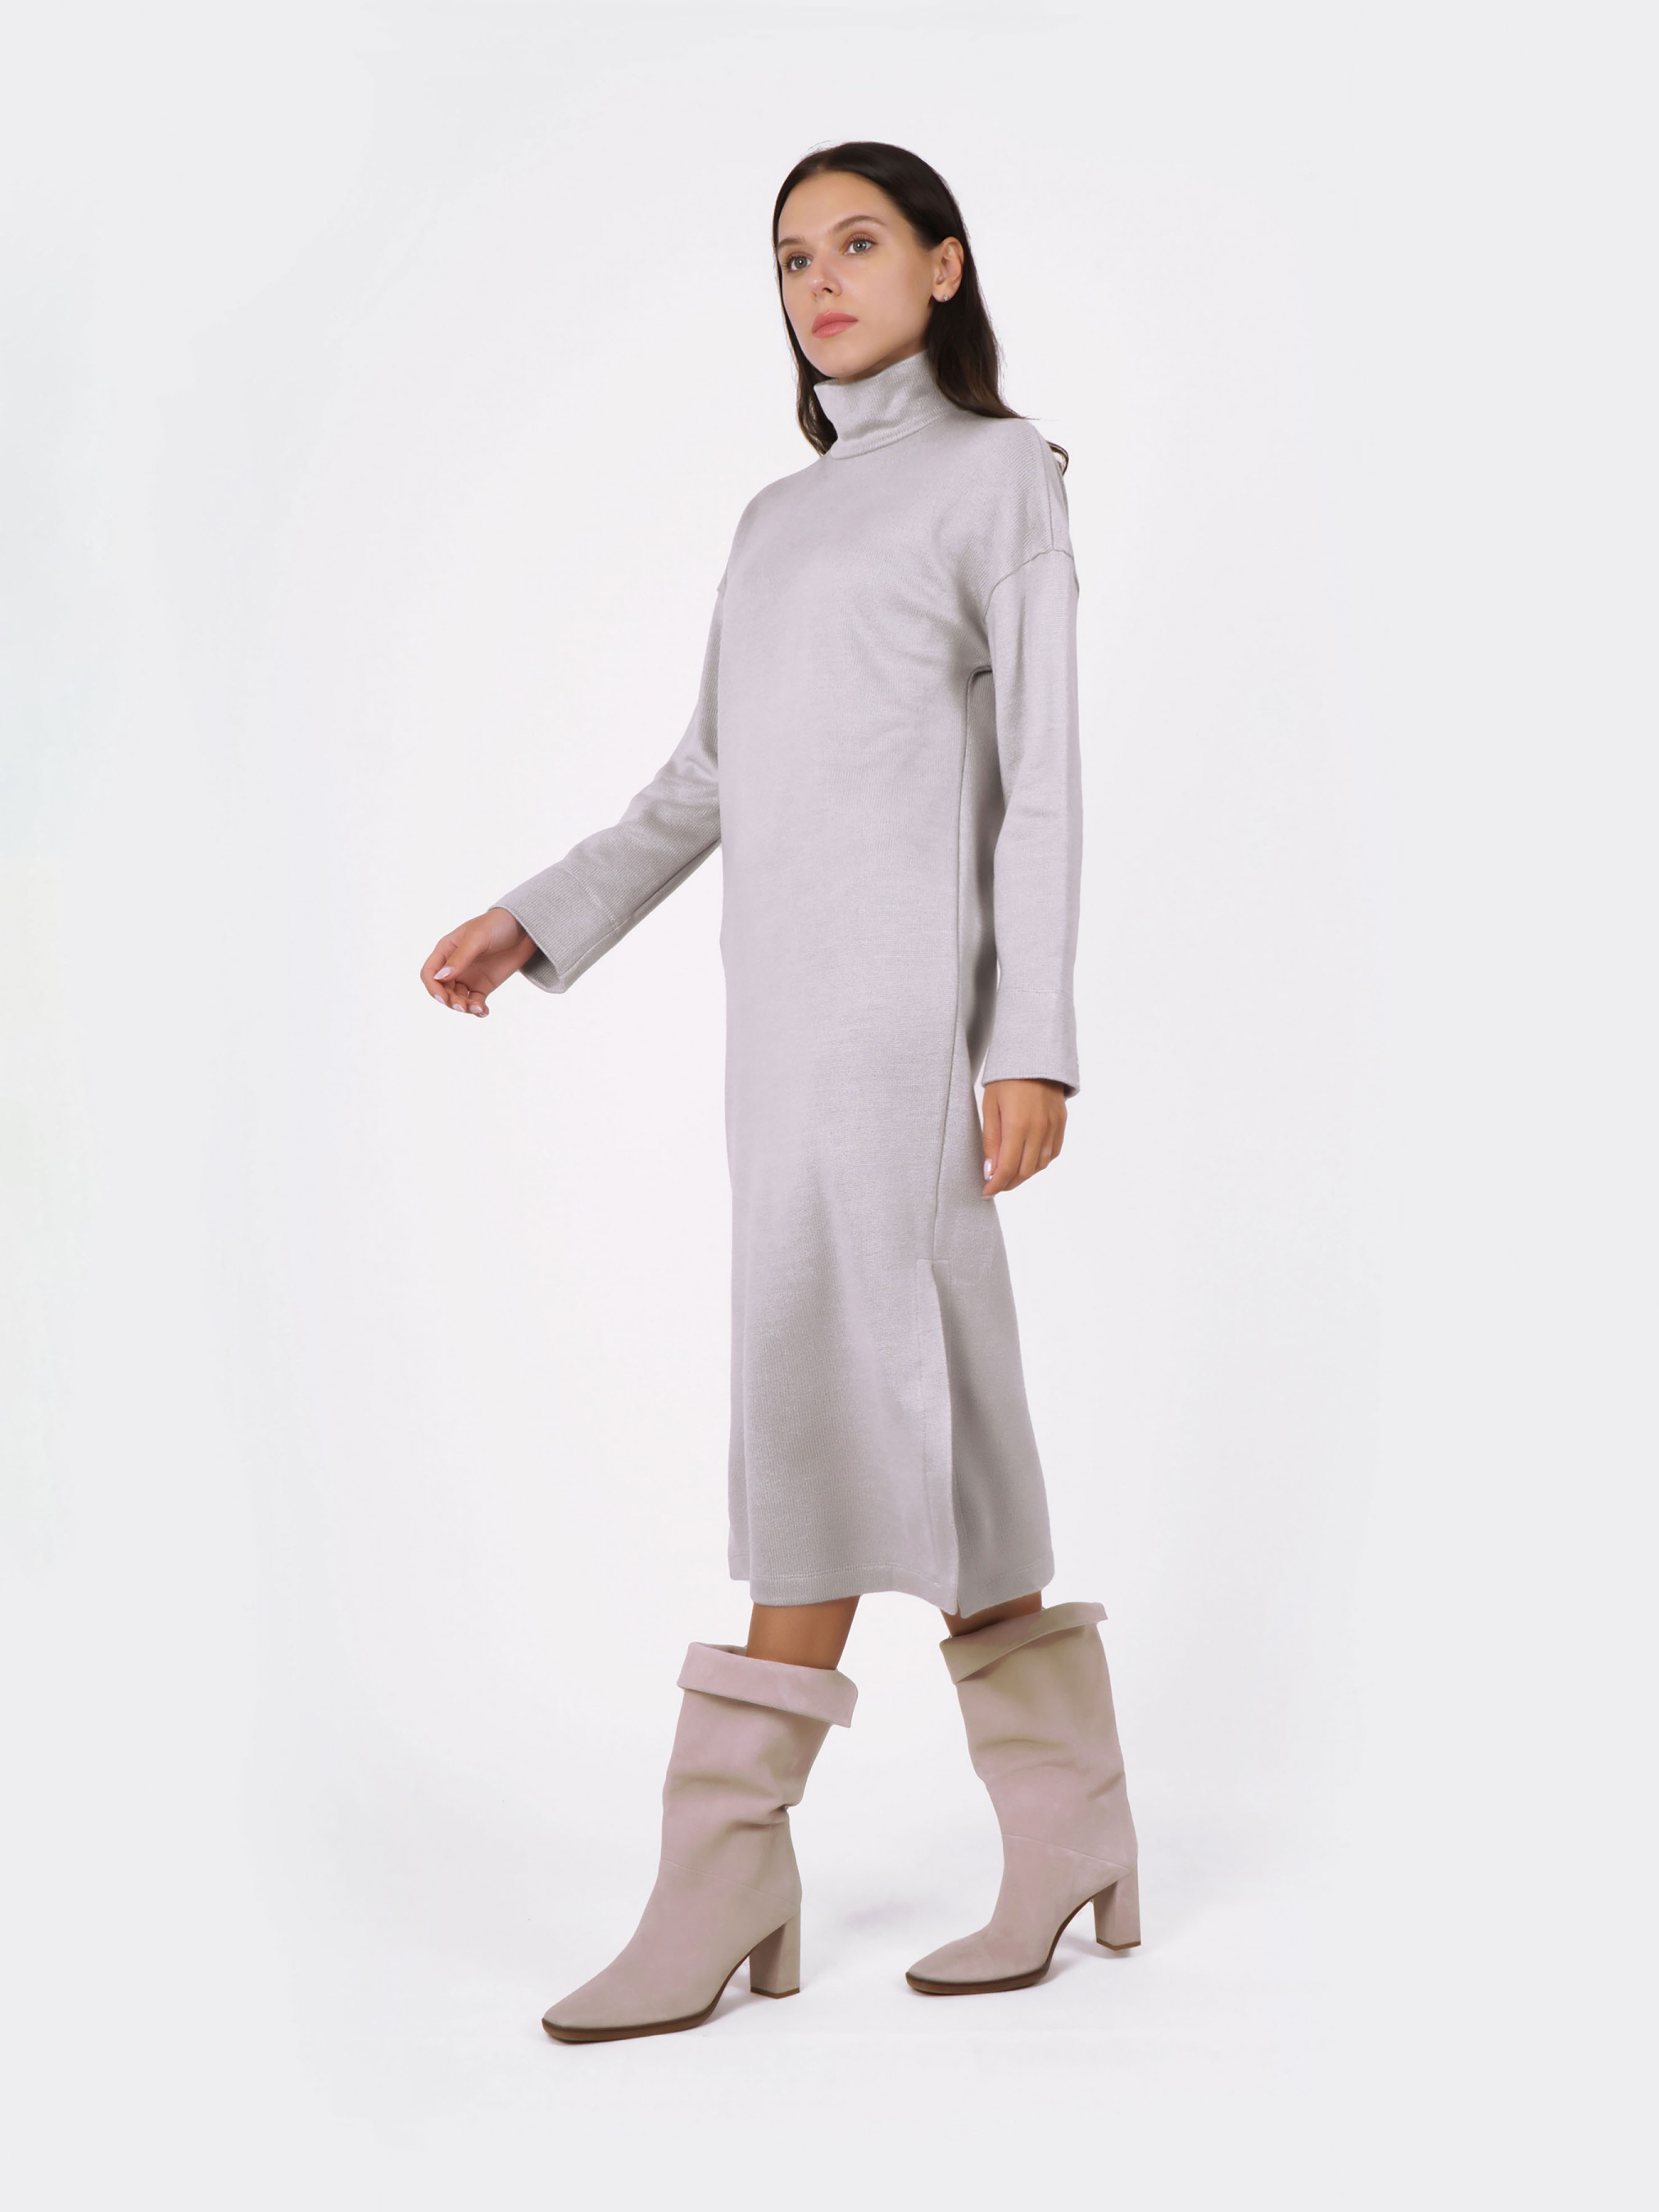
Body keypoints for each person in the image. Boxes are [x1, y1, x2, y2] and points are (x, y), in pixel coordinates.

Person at [419, 143, 1138, 2044]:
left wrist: (1029, 1038)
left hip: (908, 1033)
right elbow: (705, 781)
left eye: (857, 244)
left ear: (941, 266)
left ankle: (724, 1859)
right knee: (929, 1418)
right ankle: (1071, 1828)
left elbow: (1044, 778)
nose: (818, 282)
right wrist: (540, 912)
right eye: (790, 256)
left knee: (821, 1406)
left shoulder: (1000, 475)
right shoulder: (775, 518)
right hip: (777, 1036)